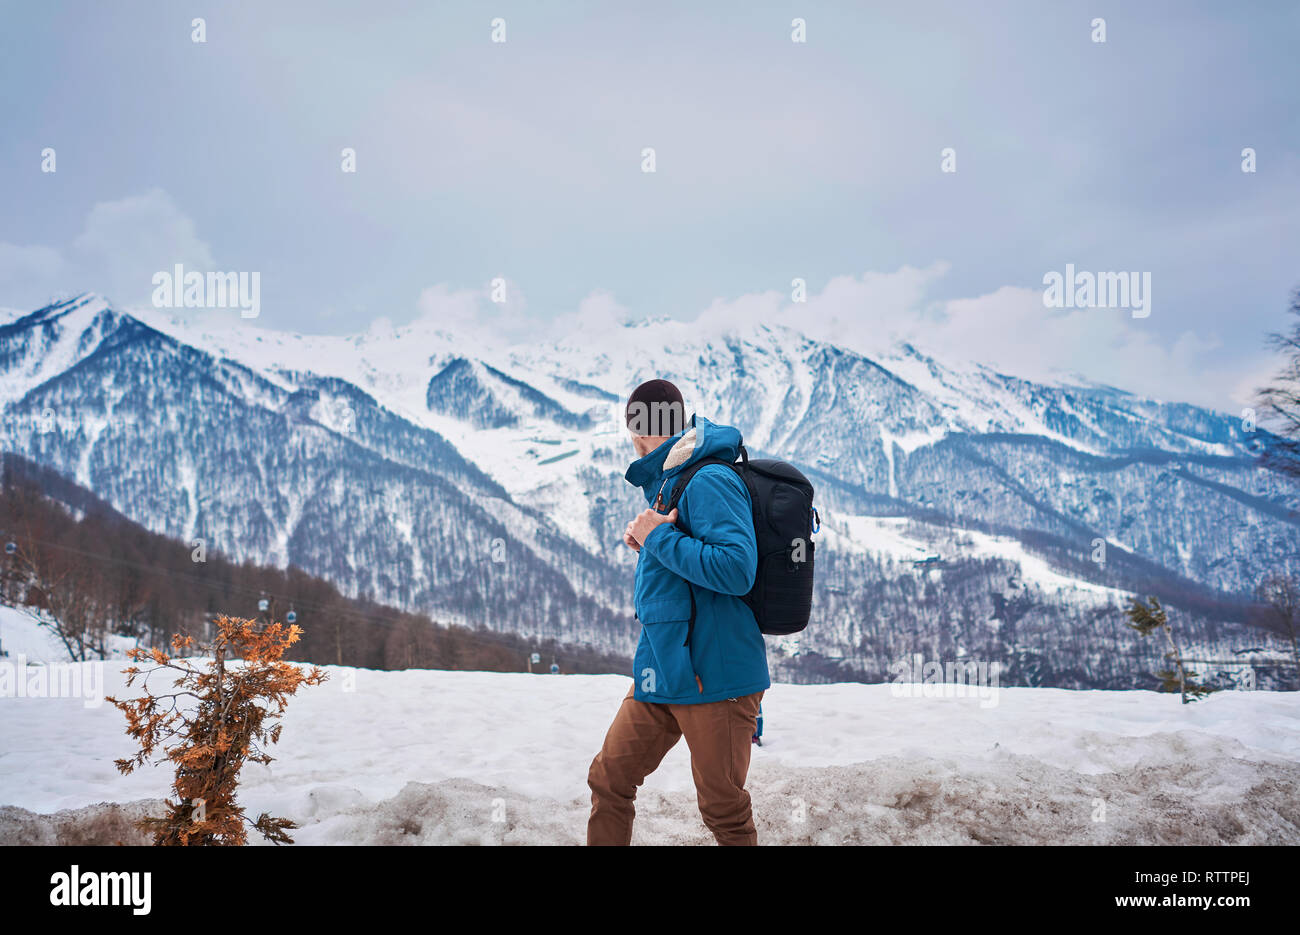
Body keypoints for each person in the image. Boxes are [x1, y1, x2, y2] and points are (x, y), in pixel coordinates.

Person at [586, 378, 769, 846]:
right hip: (662, 670)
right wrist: (650, 546)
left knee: (723, 811)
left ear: (639, 428)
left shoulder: (710, 478)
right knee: (609, 780)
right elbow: (685, 573)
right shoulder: (671, 480)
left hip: (715, 675)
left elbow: (735, 570)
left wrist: (658, 539)